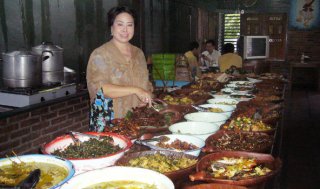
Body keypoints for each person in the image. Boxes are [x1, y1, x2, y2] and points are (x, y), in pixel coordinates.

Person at [86, 6, 152, 132]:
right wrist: (136, 90)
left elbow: (146, 82)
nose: (125, 30)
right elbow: (101, 89)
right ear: (112, 27)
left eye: (130, 25)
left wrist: (146, 95)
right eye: (120, 24)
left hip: (137, 121)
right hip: (110, 124)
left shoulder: (139, 53)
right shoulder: (100, 54)